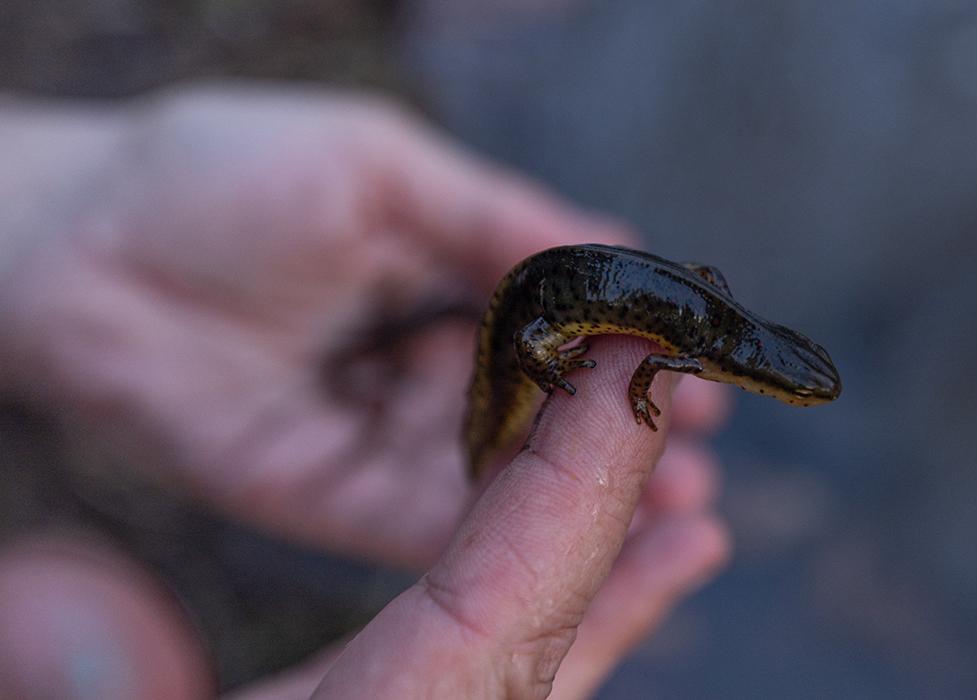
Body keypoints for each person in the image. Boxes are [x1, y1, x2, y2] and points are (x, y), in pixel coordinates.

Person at [0, 82, 732, 699]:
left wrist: (61, 208)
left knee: (64, 641)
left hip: (500, 321)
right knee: (61, 642)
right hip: (508, 318)